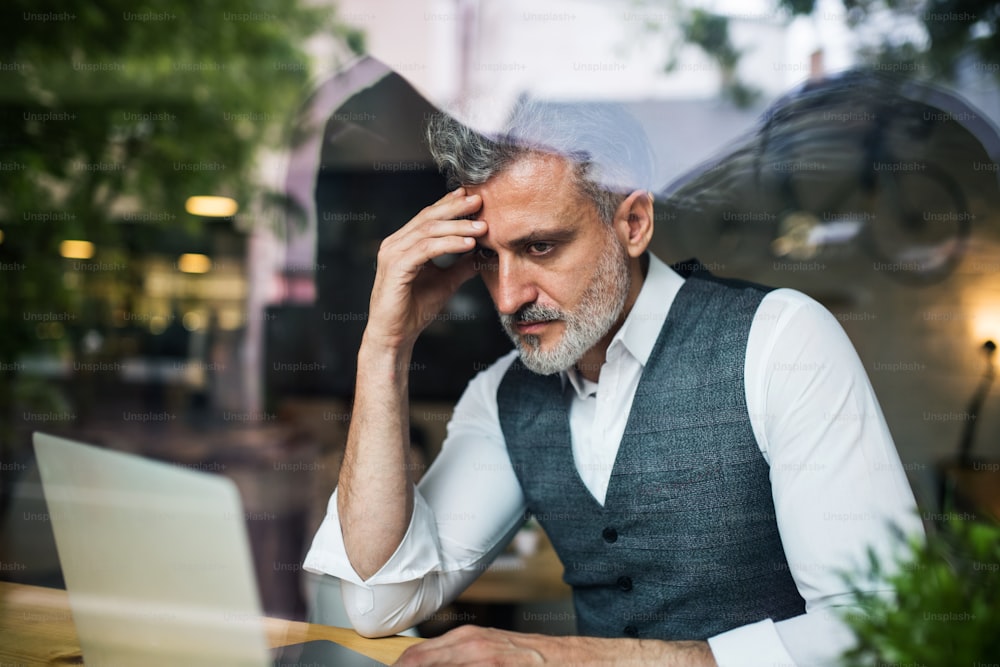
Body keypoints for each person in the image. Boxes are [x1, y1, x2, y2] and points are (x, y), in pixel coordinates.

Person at [303, 102, 922, 666]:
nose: (510, 296)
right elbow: (378, 602)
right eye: (489, 257)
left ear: (633, 224)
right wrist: (385, 347)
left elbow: (884, 631)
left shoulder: (781, 341)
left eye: (540, 246)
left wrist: (559, 658)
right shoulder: (504, 396)